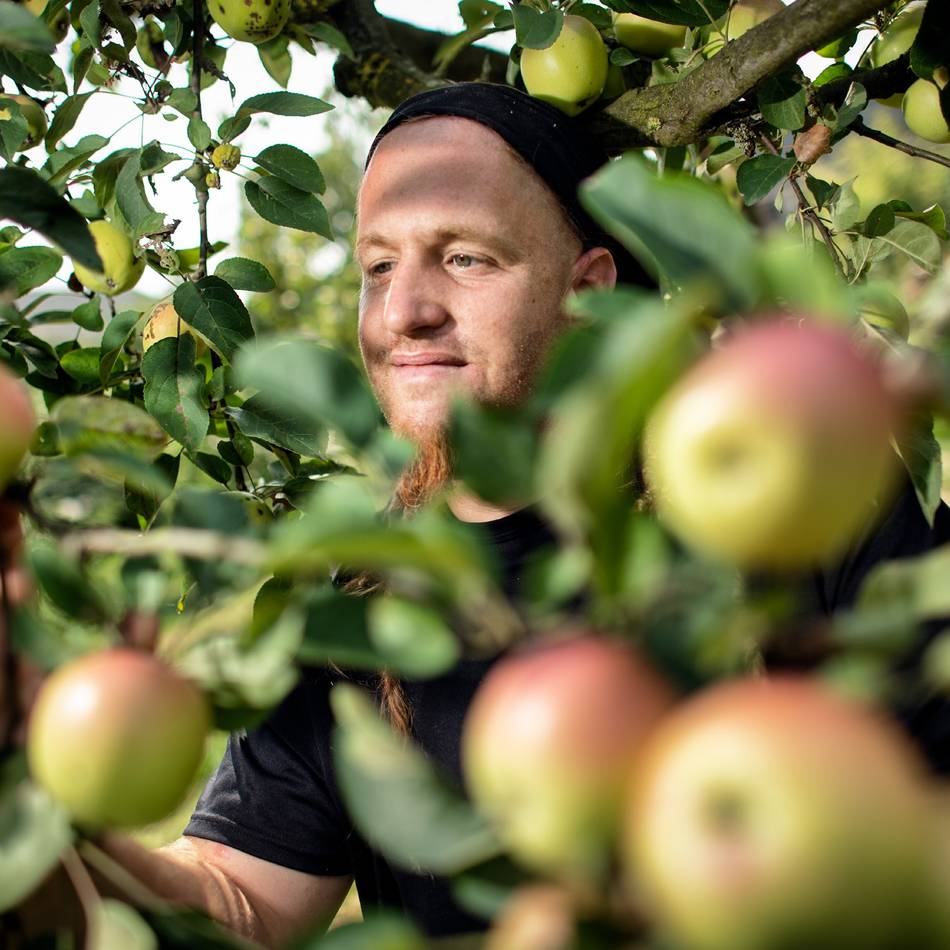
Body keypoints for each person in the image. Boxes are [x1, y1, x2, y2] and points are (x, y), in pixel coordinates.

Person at [15, 82, 950, 948]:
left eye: (465, 258)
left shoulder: (792, 513)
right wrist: (32, 810)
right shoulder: (354, 601)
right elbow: (235, 904)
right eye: (378, 267)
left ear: (587, 292)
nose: (404, 311)